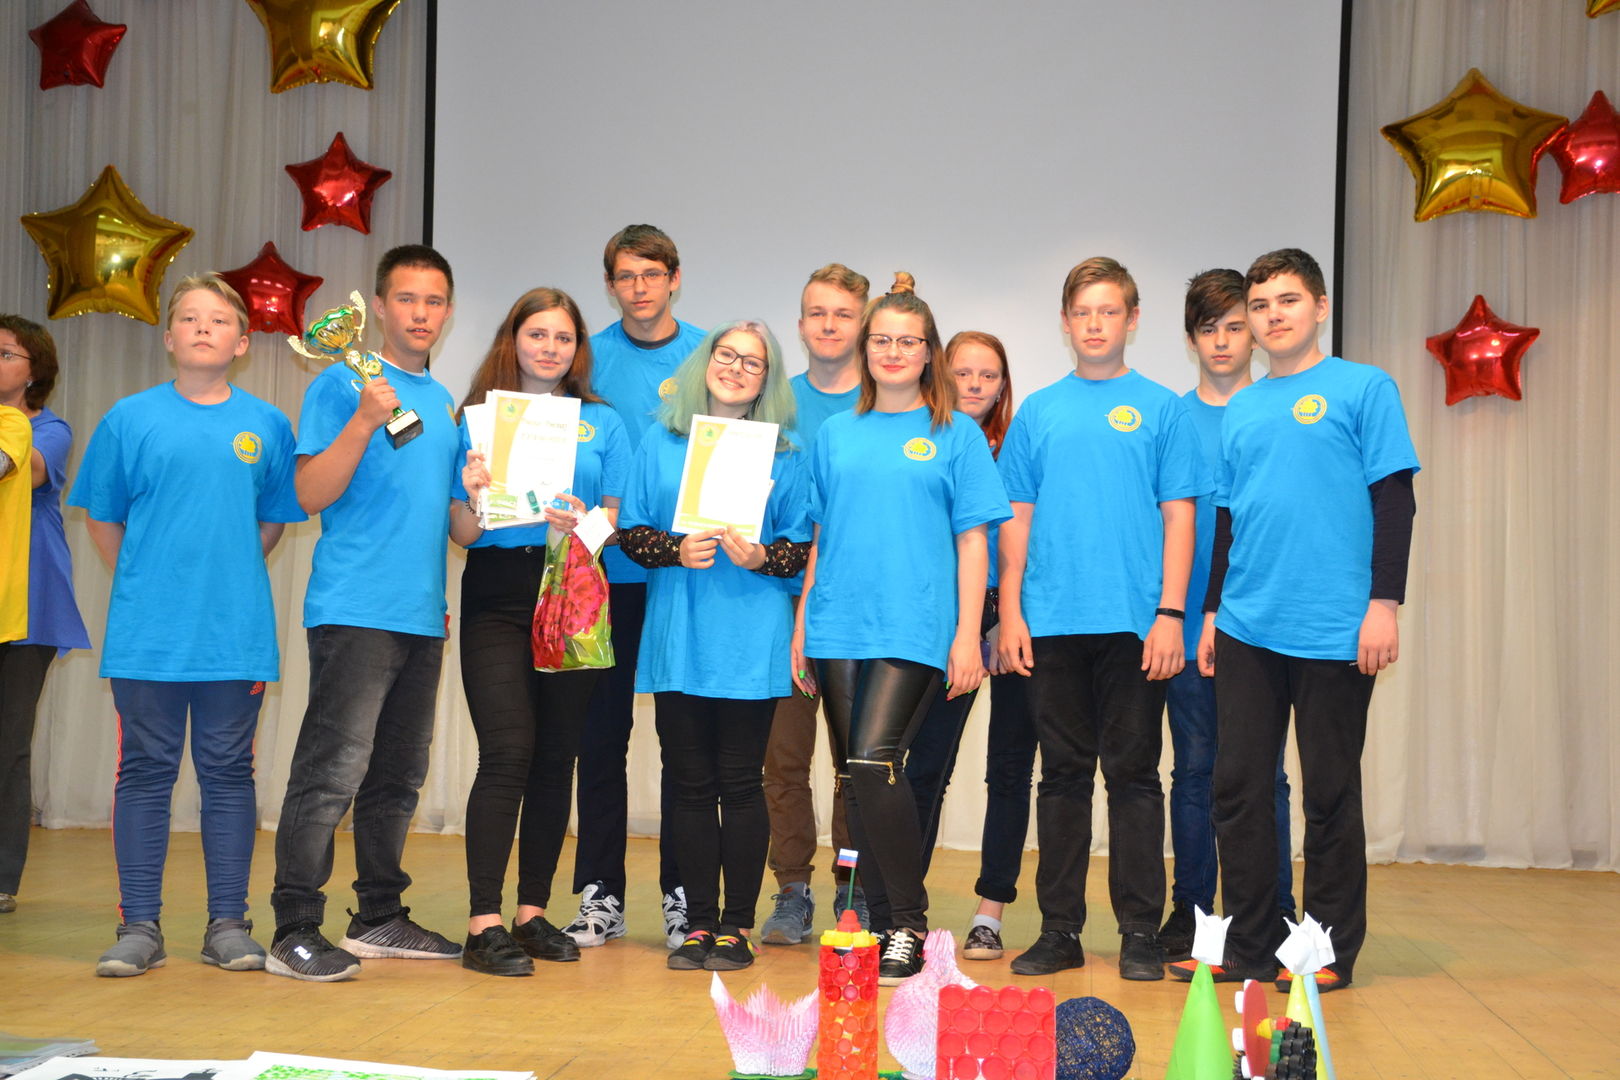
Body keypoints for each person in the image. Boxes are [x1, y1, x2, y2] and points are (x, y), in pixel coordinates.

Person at [1179, 248, 1418, 993]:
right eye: (1260, 305)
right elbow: (1227, 520)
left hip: (1337, 628)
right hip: (1247, 626)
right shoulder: (1243, 407)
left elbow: (1395, 500)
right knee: (1238, 786)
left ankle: (1325, 949)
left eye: (1287, 300)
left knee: (1329, 793)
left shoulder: (1365, 388)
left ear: (1319, 306)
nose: (1272, 315)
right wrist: (1213, 611)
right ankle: (1252, 945)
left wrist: (1384, 604)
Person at [67, 276, 304, 976]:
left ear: (243, 342)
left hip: (235, 635)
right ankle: (139, 926)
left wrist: (223, 575)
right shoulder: (128, 418)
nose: (204, 328)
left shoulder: (268, 425)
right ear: (169, 337)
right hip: (148, 637)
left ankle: (228, 924)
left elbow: (271, 522)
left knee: (229, 774)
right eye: (190, 318)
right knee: (145, 772)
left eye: (219, 320)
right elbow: (103, 518)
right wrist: (150, 580)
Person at [793, 274, 1009, 985]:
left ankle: (909, 924)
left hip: (916, 626)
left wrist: (967, 635)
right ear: (866, 348)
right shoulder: (835, 434)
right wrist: (802, 628)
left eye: (907, 341)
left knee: (874, 762)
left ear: (928, 353)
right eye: (881, 340)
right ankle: (883, 925)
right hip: (837, 625)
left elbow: (974, 542)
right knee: (856, 780)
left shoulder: (956, 435)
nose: (892, 351)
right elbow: (820, 538)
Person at [997, 256, 1206, 981]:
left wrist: (1170, 614)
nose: (1094, 324)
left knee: (1135, 776)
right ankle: (1059, 931)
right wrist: (1010, 613)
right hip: (1051, 623)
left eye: (1108, 311)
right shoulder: (1038, 412)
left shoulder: (1163, 408)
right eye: (1082, 312)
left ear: (1133, 319)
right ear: (1065, 322)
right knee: (1060, 778)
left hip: (1134, 626)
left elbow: (1180, 518)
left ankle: (1140, 932)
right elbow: (1015, 521)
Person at [269, 245, 464, 982]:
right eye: (407, 298)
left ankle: (378, 916)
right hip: (354, 608)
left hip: (422, 615)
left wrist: (482, 491)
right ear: (378, 307)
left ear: (448, 312)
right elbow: (307, 494)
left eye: (434, 301)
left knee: (398, 776)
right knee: (331, 772)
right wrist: (361, 419)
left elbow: (460, 528)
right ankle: (293, 927)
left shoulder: (442, 403)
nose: (421, 313)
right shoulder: (339, 382)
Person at [449, 288, 631, 975]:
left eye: (563, 337)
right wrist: (475, 495)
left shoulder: (602, 423)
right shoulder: (476, 421)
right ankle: (483, 922)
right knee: (507, 751)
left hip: (572, 592)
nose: (550, 348)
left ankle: (530, 913)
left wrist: (582, 522)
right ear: (513, 339)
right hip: (497, 594)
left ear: (577, 348)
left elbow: (612, 525)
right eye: (537, 334)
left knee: (557, 757)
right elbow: (463, 534)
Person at [619, 321, 809, 972]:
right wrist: (674, 549)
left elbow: (801, 548)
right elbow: (630, 530)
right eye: (727, 355)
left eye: (753, 362)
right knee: (690, 785)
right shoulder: (661, 439)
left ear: (767, 380)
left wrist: (760, 557)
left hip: (751, 636)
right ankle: (697, 924)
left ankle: (736, 927)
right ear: (705, 362)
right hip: (680, 633)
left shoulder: (786, 454)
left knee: (742, 783)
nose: (736, 368)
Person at [567, 224, 706, 949]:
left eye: (652, 274)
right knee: (600, 741)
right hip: (606, 580)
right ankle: (601, 895)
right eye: (626, 276)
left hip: (689, 583)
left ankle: (686, 897)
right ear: (610, 284)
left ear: (674, 278)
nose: (640, 287)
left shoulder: (710, 355)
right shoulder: (586, 356)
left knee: (687, 749)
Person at [1157, 270, 1297, 961]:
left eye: (1235, 326)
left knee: (1264, 776)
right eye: (1208, 329)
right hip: (1184, 627)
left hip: (1259, 626)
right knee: (1194, 770)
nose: (1222, 341)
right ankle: (1192, 915)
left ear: (1254, 334)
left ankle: (1275, 915)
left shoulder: (1276, 409)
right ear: (1190, 340)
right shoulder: (1171, 418)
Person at [759, 263, 868, 946]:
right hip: (779, 610)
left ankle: (853, 892)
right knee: (784, 762)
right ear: (800, 324)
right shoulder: (773, 404)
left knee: (858, 768)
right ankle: (792, 890)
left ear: (863, 324)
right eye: (817, 313)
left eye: (843, 314)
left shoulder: (884, 405)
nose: (829, 325)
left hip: (859, 617)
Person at [0, 316, 91, 915]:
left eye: (6, 354)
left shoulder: (48, 429)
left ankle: (2, 876)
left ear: (35, 371)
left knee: (8, 742)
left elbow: (25, 469)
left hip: (28, 604)